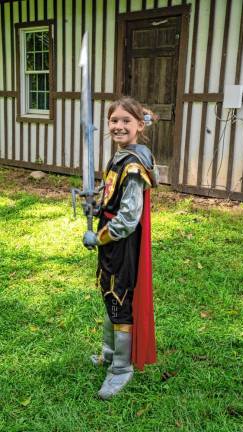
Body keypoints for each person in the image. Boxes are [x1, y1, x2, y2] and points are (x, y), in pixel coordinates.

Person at [83, 96, 158, 400]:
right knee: (109, 293)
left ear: (140, 125)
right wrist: (97, 198)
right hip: (112, 243)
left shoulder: (134, 165)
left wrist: (98, 236)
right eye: (114, 120)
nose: (118, 126)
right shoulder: (121, 156)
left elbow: (128, 217)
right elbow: (113, 193)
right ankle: (109, 352)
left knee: (120, 298)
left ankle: (121, 369)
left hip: (121, 243)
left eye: (126, 121)